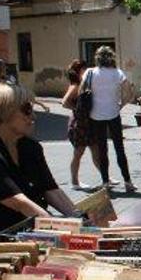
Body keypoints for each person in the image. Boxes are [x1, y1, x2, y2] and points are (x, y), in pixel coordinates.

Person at [0, 82, 77, 256]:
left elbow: (51, 189)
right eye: (26, 109)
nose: (33, 116)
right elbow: (19, 202)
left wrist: (80, 220)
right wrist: (63, 231)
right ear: (4, 113)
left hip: (30, 231)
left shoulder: (30, 147)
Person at [85, 45, 136, 192]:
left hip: (95, 115)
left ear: (97, 58)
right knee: (119, 149)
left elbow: (82, 90)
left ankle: (105, 182)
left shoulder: (90, 73)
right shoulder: (118, 73)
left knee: (102, 150)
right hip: (113, 114)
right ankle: (128, 182)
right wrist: (121, 104)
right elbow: (129, 93)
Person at [61, 59, 102, 190]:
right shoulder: (76, 86)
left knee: (96, 151)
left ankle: (105, 177)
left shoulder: (84, 84)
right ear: (80, 71)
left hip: (88, 123)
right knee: (78, 153)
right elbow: (64, 102)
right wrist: (78, 109)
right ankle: (74, 182)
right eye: (85, 69)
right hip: (79, 124)